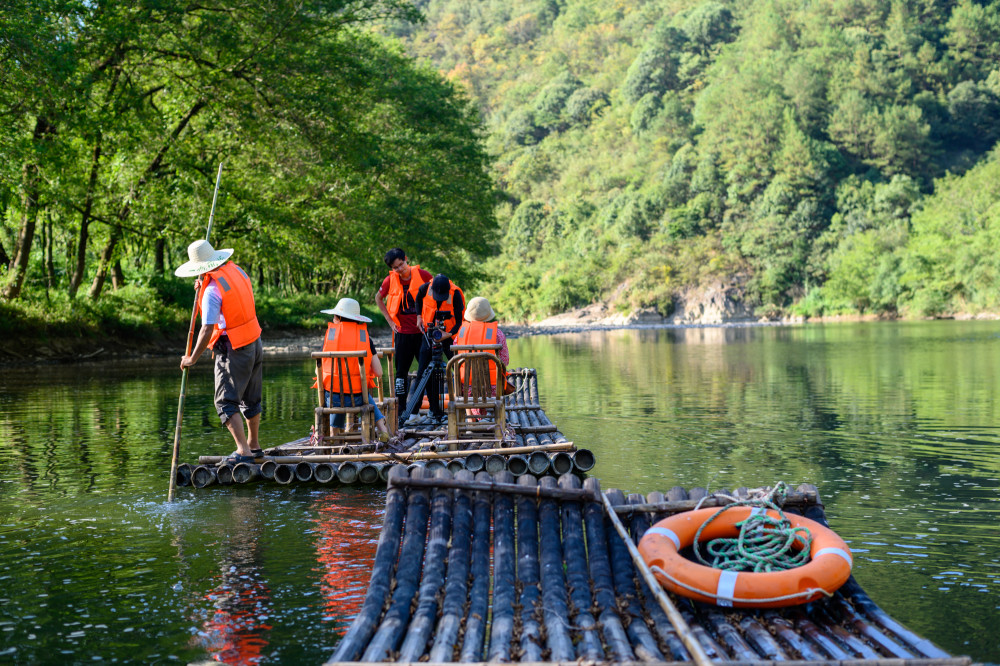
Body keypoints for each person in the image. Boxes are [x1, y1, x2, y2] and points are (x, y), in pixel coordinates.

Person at [177, 240, 263, 464]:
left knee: (224, 402)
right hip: (254, 339)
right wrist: (203, 285)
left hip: (234, 346)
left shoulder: (212, 291)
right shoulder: (236, 271)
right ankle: (254, 445)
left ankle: (243, 450)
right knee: (251, 399)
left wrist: (192, 358)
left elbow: (206, 328)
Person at [315, 298, 391, 445]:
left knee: (334, 392)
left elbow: (318, 371)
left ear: (338, 318)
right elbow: (379, 372)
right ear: (356, 319)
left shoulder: (330, 336)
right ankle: (382, 429)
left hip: (333, 399)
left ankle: (334, 434)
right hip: (358, 397)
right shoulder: (365, 338)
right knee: (366, 397)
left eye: (335, 315)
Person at [374, 248, 434, 426]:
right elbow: (378, 298)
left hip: (423, 333)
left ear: (406, 259)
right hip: (402, 334)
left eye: (402, 264)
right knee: (401, 374)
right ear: (392, 269)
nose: (401, 269)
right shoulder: (389, 280)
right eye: (396, 268)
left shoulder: (423, 275)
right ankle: (401, 413)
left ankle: (432, 410)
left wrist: (430, 320)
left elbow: (437, 295)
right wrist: (389, 321)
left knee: (427, 372)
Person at [414, 273, 464, 420]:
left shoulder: (455, 294)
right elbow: (417, 299)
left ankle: (466, 409)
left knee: (459, 368)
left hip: (449, 336)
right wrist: (418, 317)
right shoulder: (425, 288)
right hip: (429, 334)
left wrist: (447, 335)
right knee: (423, 371)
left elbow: (460, 322)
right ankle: (419, 411)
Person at [455, 296, 510, 415]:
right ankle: (496, 422)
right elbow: (505, 361)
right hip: (492, 388)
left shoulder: (460, 334)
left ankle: (470, 421)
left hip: (466, 390)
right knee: (498, 378)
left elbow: (455, 361)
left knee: (466, 384)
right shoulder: (498, 334)